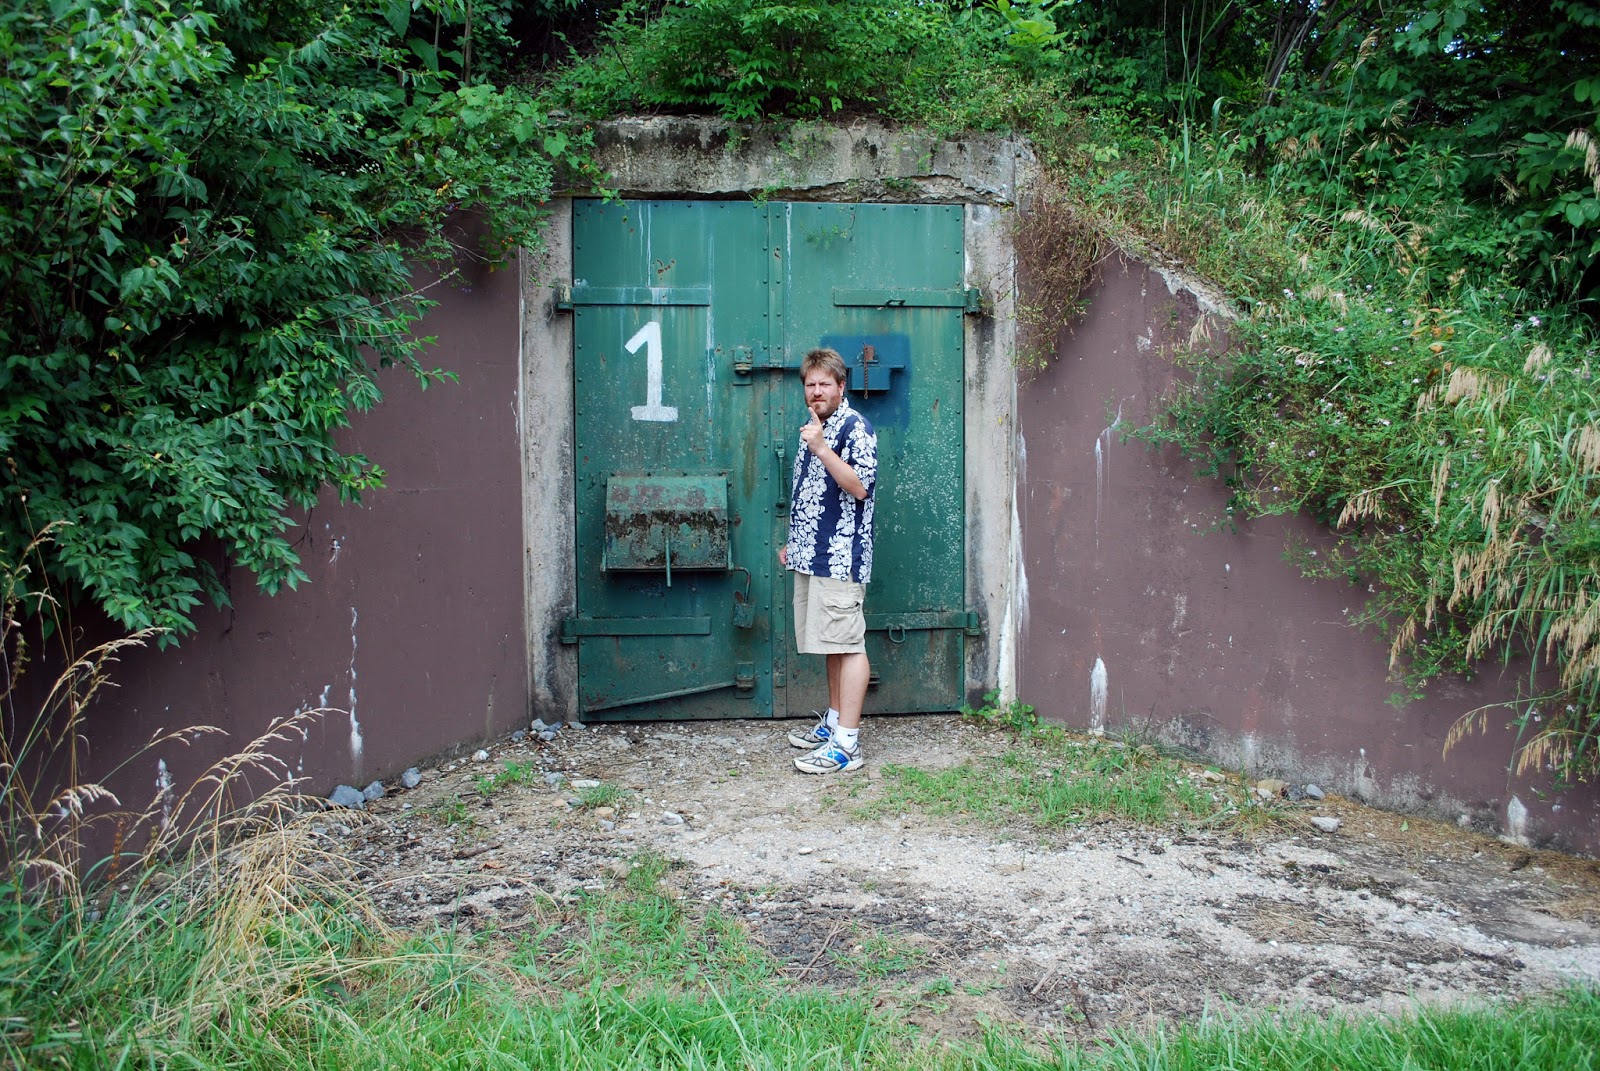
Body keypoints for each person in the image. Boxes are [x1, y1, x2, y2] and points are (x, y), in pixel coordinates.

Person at [778, 347, 877, 774]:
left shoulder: (855, 428)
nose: (817, 391)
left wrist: (821, 448)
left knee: (849, 645)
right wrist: (794, 544)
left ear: (842, 386)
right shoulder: (817, 426)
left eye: (825, 384)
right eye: (811, 384)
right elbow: (811, 493)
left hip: (840, 557)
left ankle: (848, 747)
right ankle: (835, 724)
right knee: (831, 646)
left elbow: (859, 487)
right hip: (812, 555)